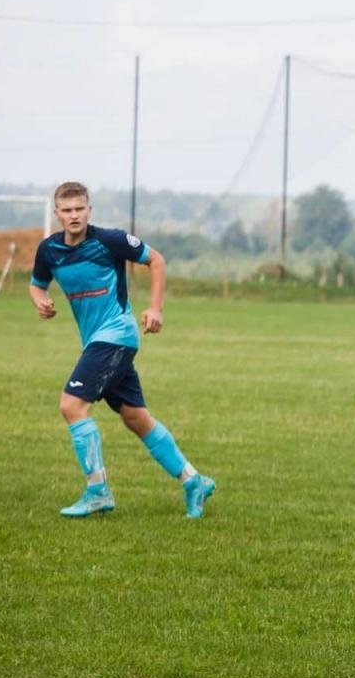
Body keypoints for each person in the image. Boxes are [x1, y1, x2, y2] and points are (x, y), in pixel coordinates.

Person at [28, 181, 216, 518]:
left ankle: (97, 490)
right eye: (67, 210)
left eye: (80, 208)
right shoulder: (49, 250)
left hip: (116, 334)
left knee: (72, 406)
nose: (74, 215)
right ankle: (194, 481)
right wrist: (41, 301)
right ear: (57, 214)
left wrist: (155, 308)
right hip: (99, 341)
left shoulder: (108, 240)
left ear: (89, 210)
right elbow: (36, 285)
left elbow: (156, 260)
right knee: (135, 417)